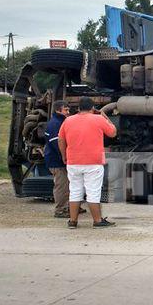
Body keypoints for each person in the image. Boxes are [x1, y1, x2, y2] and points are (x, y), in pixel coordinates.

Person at [58, 97, 117, 229]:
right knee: (93, 192)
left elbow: (61, 140)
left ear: (78, 108)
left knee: (74, 191)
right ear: (92, 108)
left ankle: (73, 221)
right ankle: (97, 221)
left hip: (73, 162)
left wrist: (64, 156)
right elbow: (113, 133)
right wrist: (104, 116)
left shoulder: (68, 120)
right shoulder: (98, 119)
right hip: (93, 162)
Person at [44, 100, 72, 217]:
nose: (68, 112)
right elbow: (57, 144)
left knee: (68, 185)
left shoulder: (59, 122)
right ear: (57, 110)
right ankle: (60, 210)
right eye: (65, 110)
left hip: (59, 160)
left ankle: (70, 207)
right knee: (62, 186)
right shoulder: (56, 124)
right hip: (57, 161)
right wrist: (65, 158)